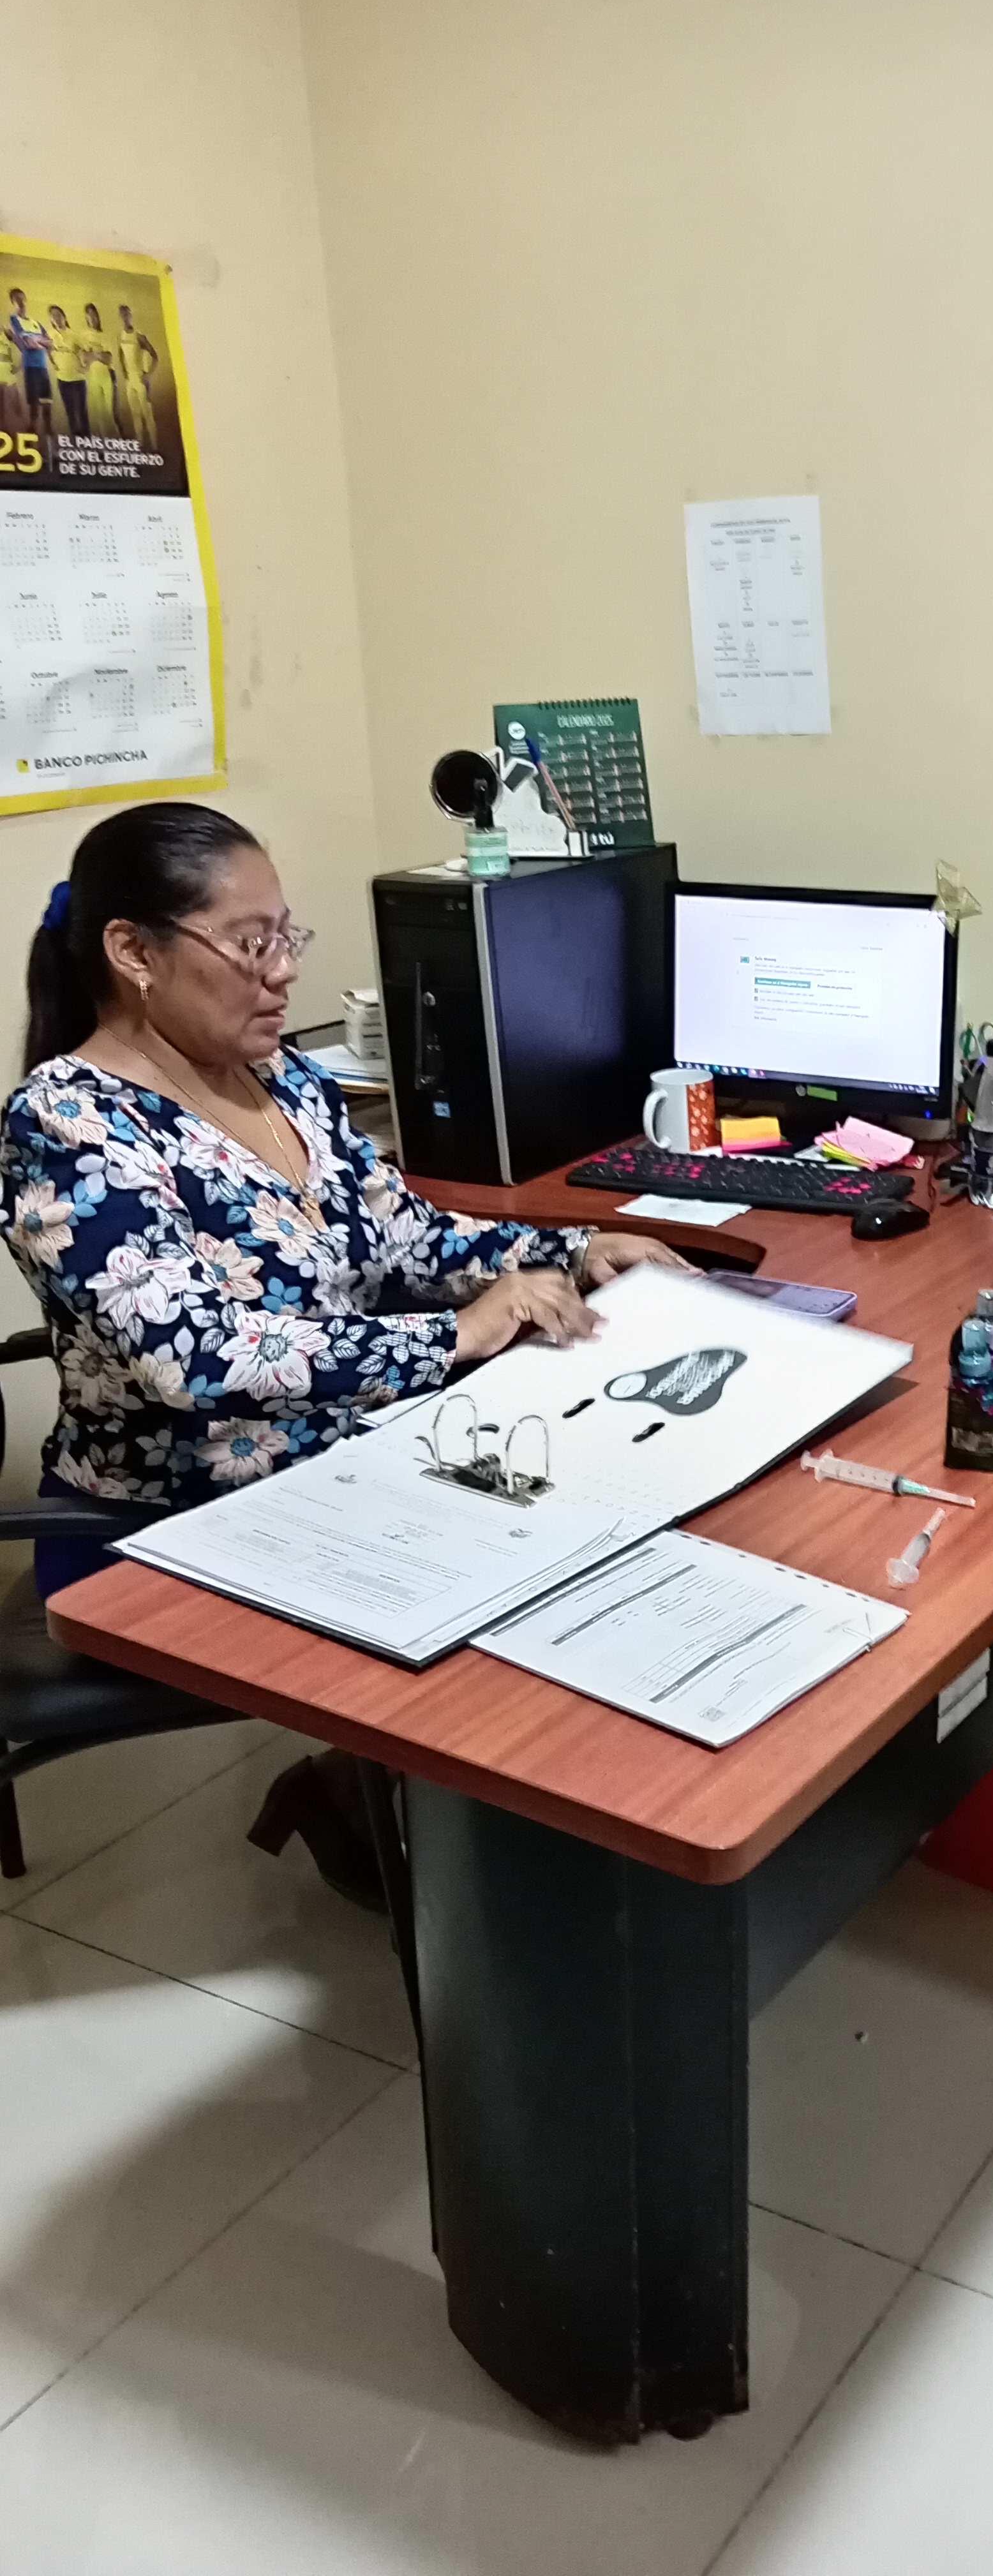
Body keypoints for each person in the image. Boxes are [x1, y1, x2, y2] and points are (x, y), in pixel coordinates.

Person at [2, 801, 694, 1902]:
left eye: (288, 936)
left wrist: (572, 1249)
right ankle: (454, 1867)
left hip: (339, 1466)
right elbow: (193, 1359)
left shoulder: (284, 1081)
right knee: (522, 1581)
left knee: (614, 1501)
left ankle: (469, 1829)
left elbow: (405, 1238)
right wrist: (457, 1334)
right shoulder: (67, 1124)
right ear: (133, 951)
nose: (283, 971)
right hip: (168, 1521)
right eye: (250, 942)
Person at [8, 287, 54, 443]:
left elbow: (51, 344)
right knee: (34, 411)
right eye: (16, 299)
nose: (20, 302)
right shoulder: (14, 320)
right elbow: (27, 343)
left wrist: (37, 342)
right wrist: (40, 342)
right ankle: (31, 446)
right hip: (31, 369)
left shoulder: (36, 323)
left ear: (26, 299)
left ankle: (50, 447)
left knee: (47, 410)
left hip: (43, 369)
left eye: (22, 298)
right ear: (13, 302)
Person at [115, 304, 156, 447]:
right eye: (122, 315)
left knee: (147, 414)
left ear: (131, 316)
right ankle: (140, 445)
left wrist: (148, 375)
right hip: (130, 381)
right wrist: (124, 371)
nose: (125, 318)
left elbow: (155, 356)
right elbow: (121, 353)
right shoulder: (121, 336)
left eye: (127, 314)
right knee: (135, 414)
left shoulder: (139, 336)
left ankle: (155, 447)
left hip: (140, 379)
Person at [46, 305, 88, 437]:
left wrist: (86, 367)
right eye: (53, 316)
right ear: (51, 320)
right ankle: (76, 443)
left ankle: (87, 443)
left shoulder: (74, 335)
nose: (56, 318)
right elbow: (47, 350)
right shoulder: (50, 335)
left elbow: (88, 352)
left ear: (64, 317)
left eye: (59, 315)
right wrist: (53, 363)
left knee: (82, 413)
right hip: (63, 380)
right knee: (70, 413)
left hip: (78, 380)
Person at [81, 302, 117, 438]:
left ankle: (119, 443)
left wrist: (93, 354)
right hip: (93, 377)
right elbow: (84, 358)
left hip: (108, 375)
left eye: (94, 315)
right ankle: (104, 443)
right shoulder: (84, 336)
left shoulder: (105, 336)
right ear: (86, 318)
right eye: (89, 315)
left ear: (98, 317)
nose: (92, 318)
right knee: (98, 414)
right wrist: (98, 354)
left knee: (111, 414)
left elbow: (109, 359)